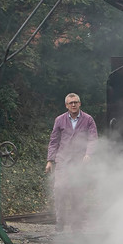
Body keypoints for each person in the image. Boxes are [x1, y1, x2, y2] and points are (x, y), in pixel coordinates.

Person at [46, 93, 98, 231]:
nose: (73, 105)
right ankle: (60, 221)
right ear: (66, 105)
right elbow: (54, 141)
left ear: (80, 103)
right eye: (71, 103)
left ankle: (76, 223)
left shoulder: (88, 119)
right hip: (63, 161)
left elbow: (93, 139)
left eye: (75, 102)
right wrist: (50, 160)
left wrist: (88, 154)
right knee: (59, 190)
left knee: (78, 192)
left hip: (80, 162)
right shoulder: (59, 120)